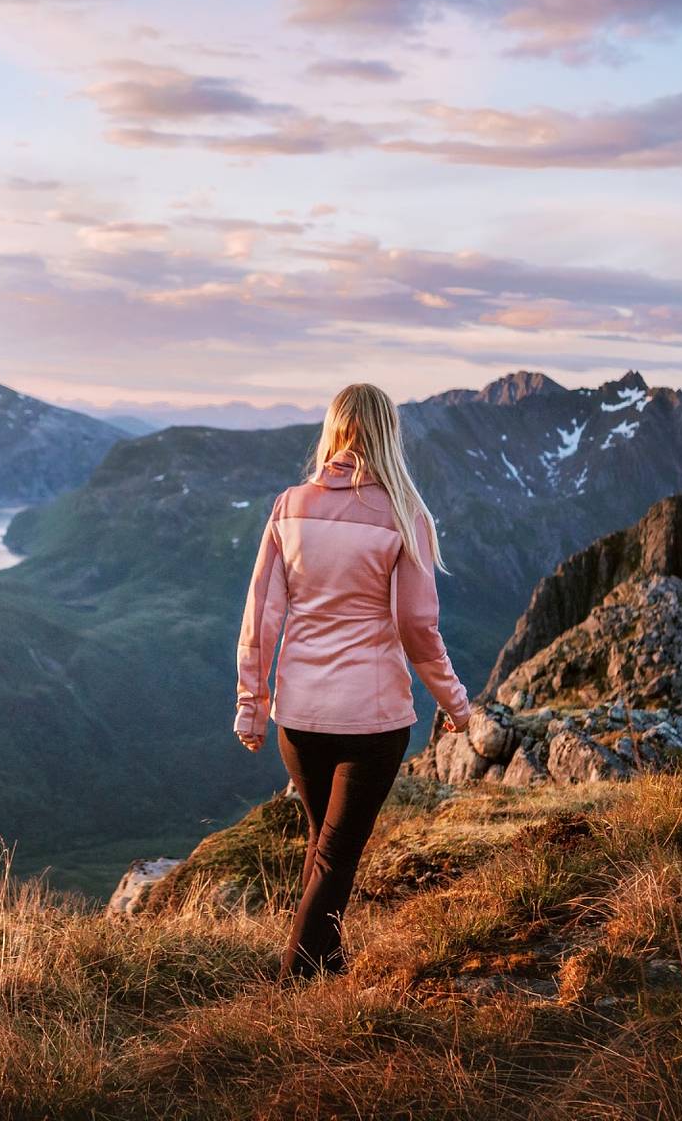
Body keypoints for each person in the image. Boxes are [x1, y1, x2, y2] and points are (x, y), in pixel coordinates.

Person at [233, 382, 471, 980]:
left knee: (324, 848)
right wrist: (455, 701)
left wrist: (251, 707)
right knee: (337, 857)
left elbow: (261, 616)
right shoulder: (404, 514)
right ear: (389, 434)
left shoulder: (290, 505)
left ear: (334, 429)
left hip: (299, 719)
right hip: (372, 721)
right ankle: (292, 988)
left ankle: (328, 969)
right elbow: (417, 625)